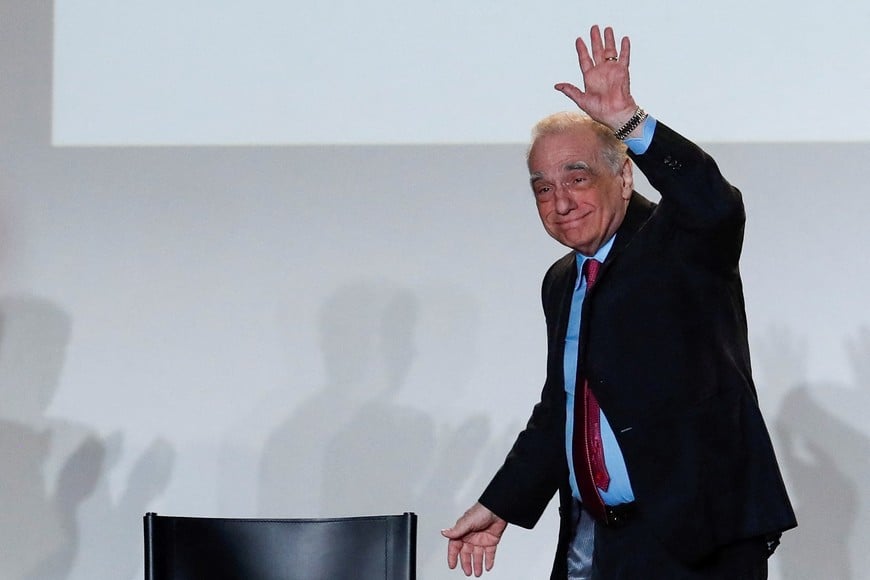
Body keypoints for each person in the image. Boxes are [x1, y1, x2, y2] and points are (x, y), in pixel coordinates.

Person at [441, 25, 797, 579]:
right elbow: (566, 405)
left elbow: (715, 205)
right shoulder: (562, 280)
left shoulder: (679, 243)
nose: (560, 201)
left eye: (576, 177)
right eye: (542, 188)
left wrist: (630, 121)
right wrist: (500, 505)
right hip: (598, 540)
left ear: (624, 177)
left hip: (696, 545)